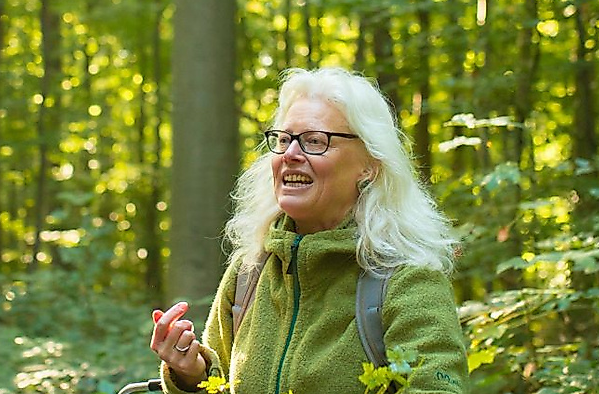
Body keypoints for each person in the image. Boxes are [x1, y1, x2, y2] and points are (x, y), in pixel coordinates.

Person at [149, 67, 470, 394]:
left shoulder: (408, 281)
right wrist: (191, 374)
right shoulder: (250, 273)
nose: (290, 154)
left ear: (370, 166)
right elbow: (219, 385)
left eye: (315, 141)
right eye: (284, 139)